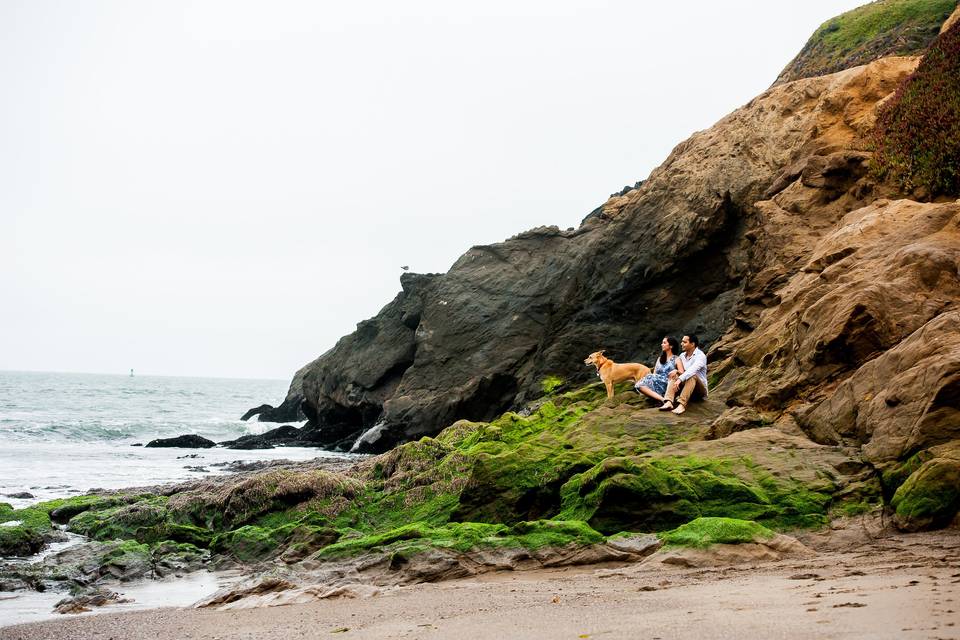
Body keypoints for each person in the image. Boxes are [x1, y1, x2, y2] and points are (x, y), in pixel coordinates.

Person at [660, 334, 707, 415]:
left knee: (692, 375)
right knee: (675, 374)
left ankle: (682, 405)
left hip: (699, 391)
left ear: (692, 344)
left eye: (684, 342)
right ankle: (668, 401)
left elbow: (692, 370)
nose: (681, 344)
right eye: (682, 342)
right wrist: (677, 371)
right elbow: (683, 372)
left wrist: (679, 379)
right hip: (687, 388)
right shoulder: (682, 356)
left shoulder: (700, 356)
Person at [634, 336, 682, 404]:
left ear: (671, 346)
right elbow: (654, 373)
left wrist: (676, 371)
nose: (662, 344)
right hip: (657, 383)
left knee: (649, 377)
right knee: (638, 385)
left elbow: (682, 373)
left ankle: (663, 398)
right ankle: (663, 399)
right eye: (662, 343)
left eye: (664, 343)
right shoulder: (660, 359)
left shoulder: (677, 359)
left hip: (668, 383)